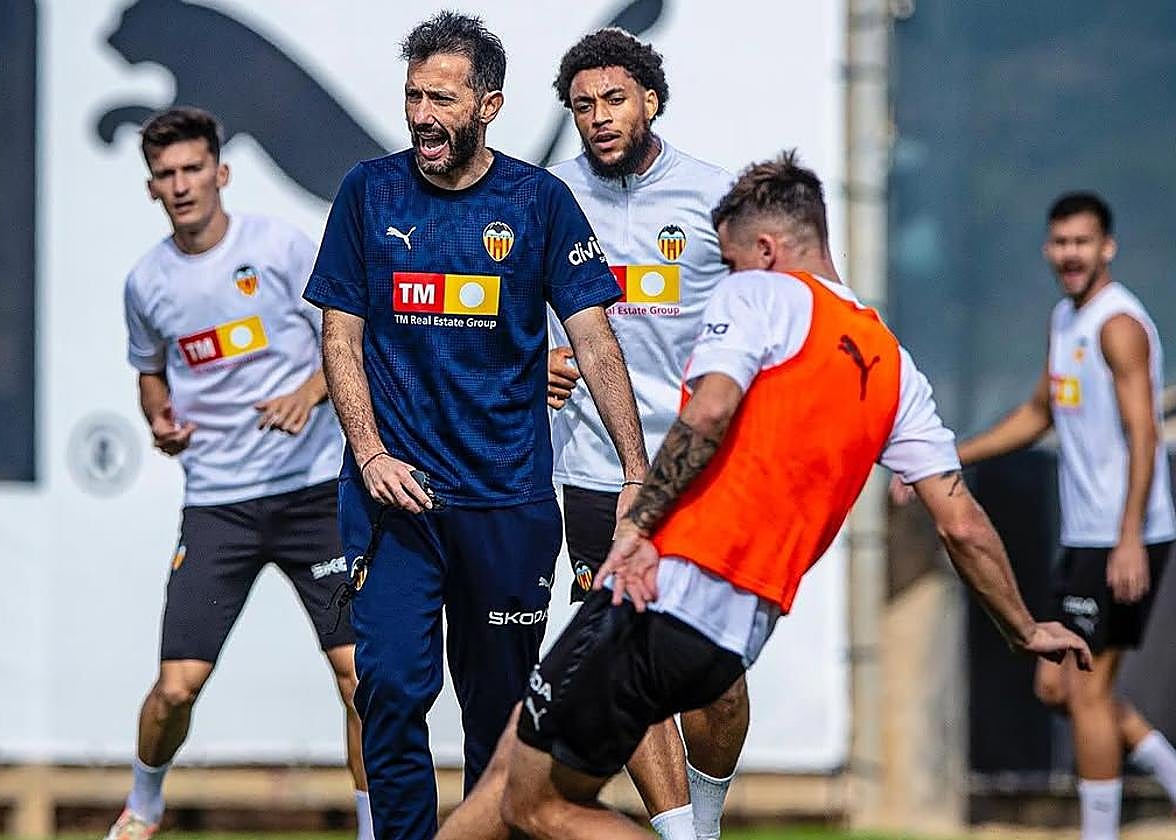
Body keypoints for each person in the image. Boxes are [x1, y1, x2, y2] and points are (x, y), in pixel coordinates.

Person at [441, 152, 1093, 840]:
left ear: (767, 248)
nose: (725, 278)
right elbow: (961, 521)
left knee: (537, 806)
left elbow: (711, 409)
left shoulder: (762, 292)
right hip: (733, 637)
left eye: (729, 262)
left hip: (667, 591)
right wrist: (1023, 627)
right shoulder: (894, 367)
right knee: (519, 754)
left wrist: (637, 524)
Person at [302, 13, 648, 840]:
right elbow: (339, 334)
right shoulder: (367, 192)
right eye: (413, 95)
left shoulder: (538, 202)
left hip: (509, 503)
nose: (422, 113)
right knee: (387, 693)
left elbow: (594, 340)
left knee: (500, 723)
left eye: (442, 98)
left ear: (488, 105)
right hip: (397, 502)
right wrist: (371, 452)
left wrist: (637, 472)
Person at [106, 107, 369, 840]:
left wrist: (310, 393)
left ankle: (374, 829)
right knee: (175, 687)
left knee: (361, 681)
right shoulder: (147, 283)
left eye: (193, 169)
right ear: (152, 188)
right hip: (218, 505)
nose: (182, 184)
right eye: (166, 174)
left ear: (220, 173)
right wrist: (159, 420)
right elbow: (150, 376)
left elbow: (348, 340)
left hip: (314, 492)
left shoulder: (280, 249)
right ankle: (144, 803)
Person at [892, 192, 1176, 839]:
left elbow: (1144, 433)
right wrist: (946, 456)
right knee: (1057, 688)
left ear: (1107, 247)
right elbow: (1038, 414)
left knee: (1085, 692)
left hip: (1121, 537)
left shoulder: (1117, 325)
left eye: (1082, 242)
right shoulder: (1064, 319)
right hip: (1086, 536)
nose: (1070, 255)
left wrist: (1130, 537)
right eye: (1060, 243)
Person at [542, 29, 744, 840]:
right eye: (583, 105)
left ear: (650, 100)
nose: (598, 117)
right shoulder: (546, 199)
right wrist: (536, 360)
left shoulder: (715, 198)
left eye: (614, 99)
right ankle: (679, 836)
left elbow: (770, 323)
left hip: (699, 473)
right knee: (626, 660)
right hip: (593, 472)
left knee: (716, 685)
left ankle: (708, 820)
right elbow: (493, 315)